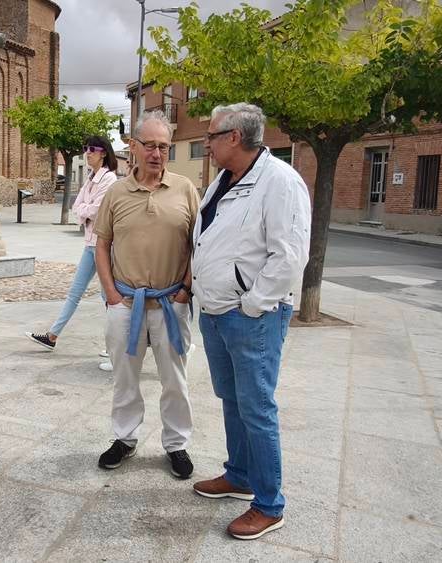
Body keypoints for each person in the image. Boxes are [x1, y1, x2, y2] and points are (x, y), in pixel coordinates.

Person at [190, 103, 311, 541]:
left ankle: (269, 504)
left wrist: (254, 304)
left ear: (235, 137)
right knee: (231, 399)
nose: (205, 143)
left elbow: (289, 256)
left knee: (257, 407)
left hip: (250, 317)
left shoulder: (280, 183)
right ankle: (238, 475)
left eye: (211, 136)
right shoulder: (224, 180)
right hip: (216, 312)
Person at [93, 110, 201, 479]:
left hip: (172, 303)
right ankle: (124, 438)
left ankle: (177, 444)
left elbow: (197, 245)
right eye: (150, 146)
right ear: (133, 147)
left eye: (164, 147)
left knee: (175, 379)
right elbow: (101, 243)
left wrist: (185, 291)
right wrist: (109, 293)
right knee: (125, 377)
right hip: (125, 302)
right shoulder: (117, 192)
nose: (157, 153)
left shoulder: (185, 189)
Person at [25, 135, 118, 371]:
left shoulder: (109, 179)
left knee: (109, 298)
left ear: (104, 152)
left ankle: (117, 346)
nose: (88, 153)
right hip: (91, 243)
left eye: (93, 149)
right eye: (86, 149)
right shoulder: (90, 178)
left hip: (104, 244)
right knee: (80, 293)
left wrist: (84, 210)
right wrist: (84, 210)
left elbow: (97, 210)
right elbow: (76, 207)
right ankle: (53, 336)